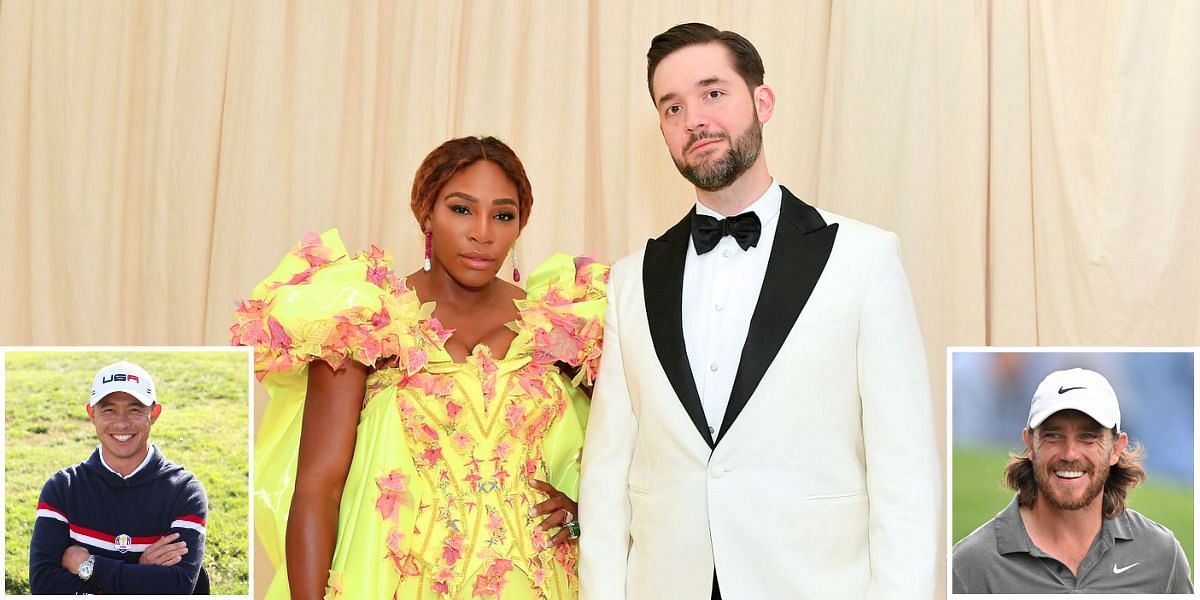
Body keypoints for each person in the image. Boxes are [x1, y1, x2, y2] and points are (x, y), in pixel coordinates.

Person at [578, 23, 939, 599]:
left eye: (713, 93)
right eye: (672, 107)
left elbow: (905, 472)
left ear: (761, 101)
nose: (694, 118)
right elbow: (606, 478)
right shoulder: (630, 279)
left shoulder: (864, 258)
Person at [233, 136, 608, 599]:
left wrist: (585, 513)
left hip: (537, 581)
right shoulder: (367, 319)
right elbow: (318, 488)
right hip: (395, 581)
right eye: (462, 209)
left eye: (503, 215)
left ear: (520, 226)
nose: (483, 232)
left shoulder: (562, 324)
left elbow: (641, 453)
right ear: (426, 213)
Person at [952, 368, 1192, 593]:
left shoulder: (1161, 556)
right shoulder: (969, 567)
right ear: (1030, 445)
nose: (1069, 454)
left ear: (1116, 449)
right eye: (1053, 435)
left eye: (1088, 437)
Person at [29, 360, 208, 594]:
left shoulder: (185, 491)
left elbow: (178, 586)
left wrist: (89, 566)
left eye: (135, 409)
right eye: (109, 410)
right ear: (92, 414)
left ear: (154, 414)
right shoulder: (63, 488)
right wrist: (139, 571)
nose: (122, 423)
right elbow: (43, 585)